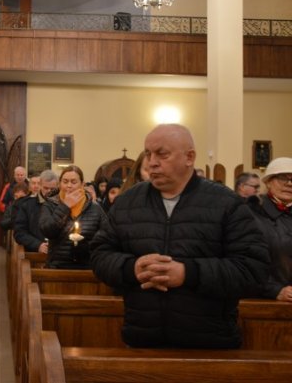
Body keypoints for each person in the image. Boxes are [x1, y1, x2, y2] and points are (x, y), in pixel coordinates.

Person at [90, 124, 270, 349]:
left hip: (211, 344)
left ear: (189, 157)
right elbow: (99, 255)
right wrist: (131, 268)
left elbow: (253, 269)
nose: (152, 162)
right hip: (142, 341)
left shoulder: (225, 203)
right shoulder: (128, 202)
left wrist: (189, 273)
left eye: (162, 154)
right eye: (148, 154)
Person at [39, 165, 107, 269]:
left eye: (74, 182)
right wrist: (65, 206)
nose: (69, 186)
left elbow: (106, 236)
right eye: (65, 182)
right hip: (57, 266)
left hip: (87, 267)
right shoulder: (50, 205)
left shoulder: (95, 208)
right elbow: (47, 231)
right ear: (60, 184)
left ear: (82, 184)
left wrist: (86, 246)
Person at [247, 158, 292, 301]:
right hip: (264, 300)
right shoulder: (251, 213)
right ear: (268, 182)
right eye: (282, 178)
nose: (289, 184)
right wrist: (274, 290)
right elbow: (243, 262)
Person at [14, 169, 58, 253]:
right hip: (34, 252)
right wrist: (38, 245)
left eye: (52, 189)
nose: (49, 191)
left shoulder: (62, 205)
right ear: (40, 185)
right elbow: (19, 233)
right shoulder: (27, 205)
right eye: (46, 188)